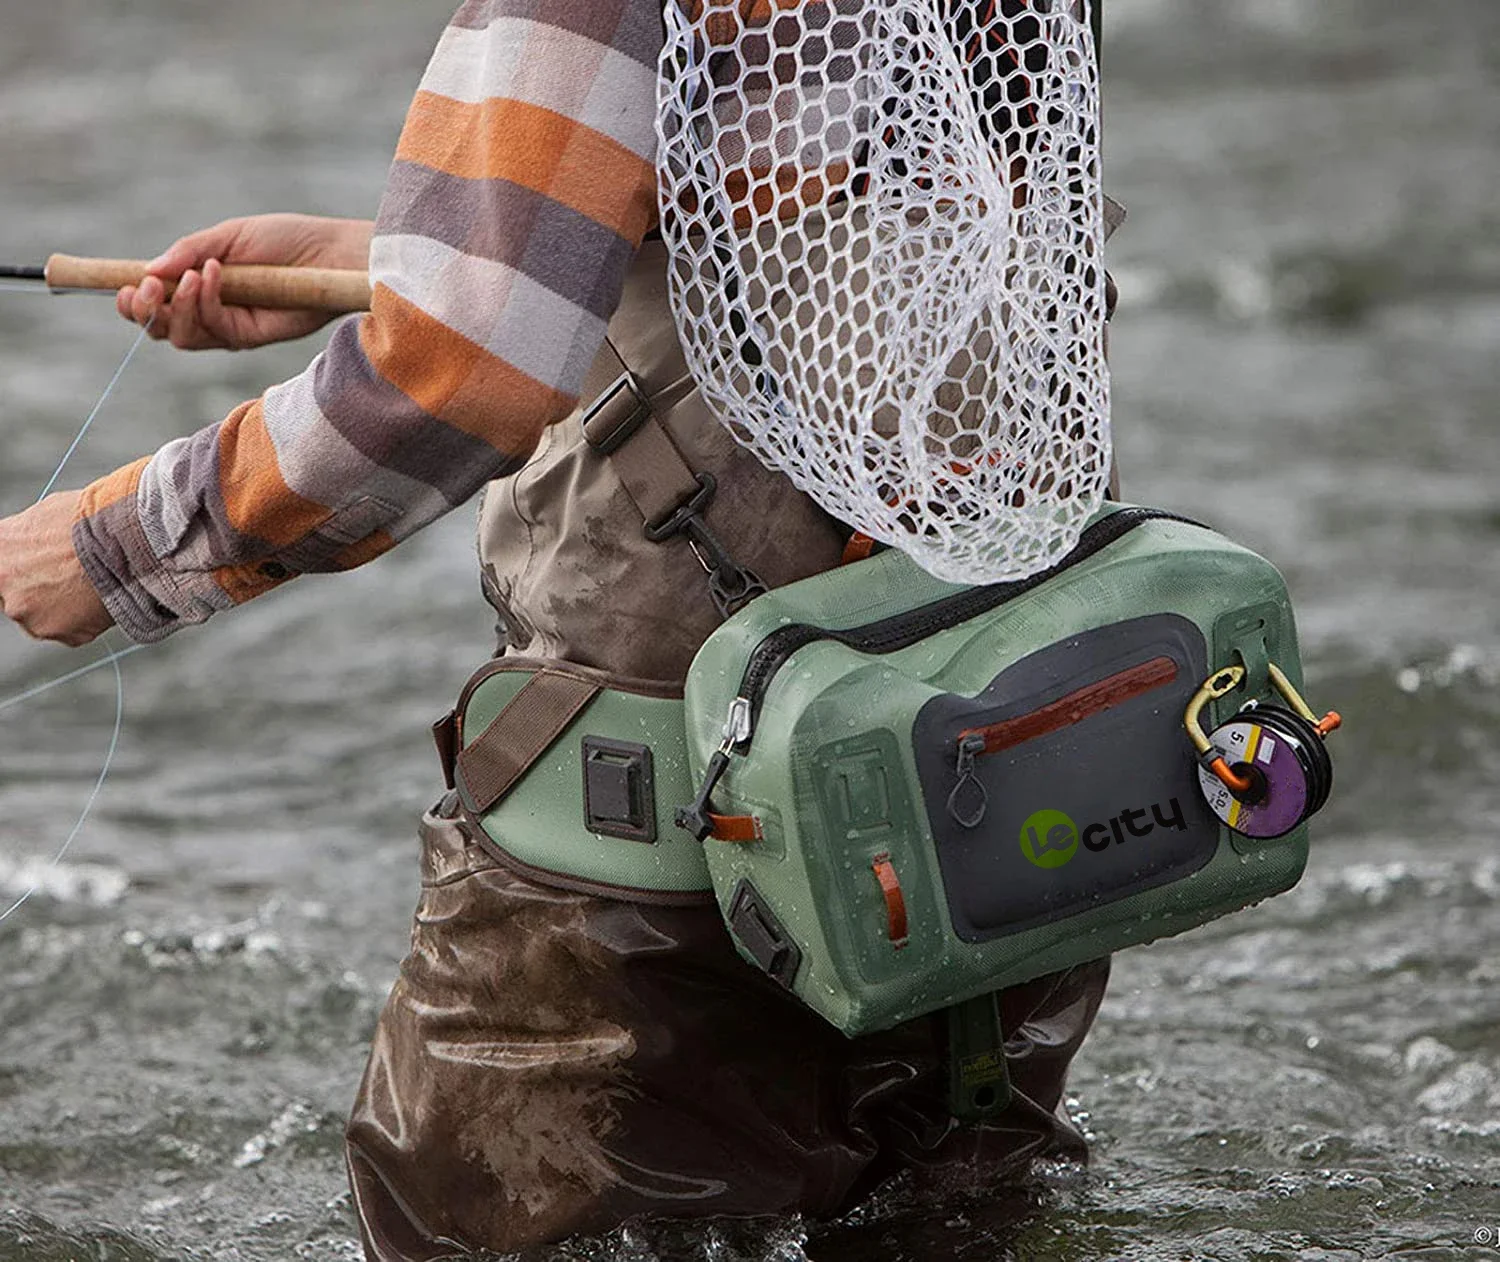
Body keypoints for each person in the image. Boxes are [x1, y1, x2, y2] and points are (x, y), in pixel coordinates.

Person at [0, 0, 1111, 1255]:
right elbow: (852, 232)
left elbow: (457, 374)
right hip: (1001, 767)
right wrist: (406, 256)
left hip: (667, 851)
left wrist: (107, 547)